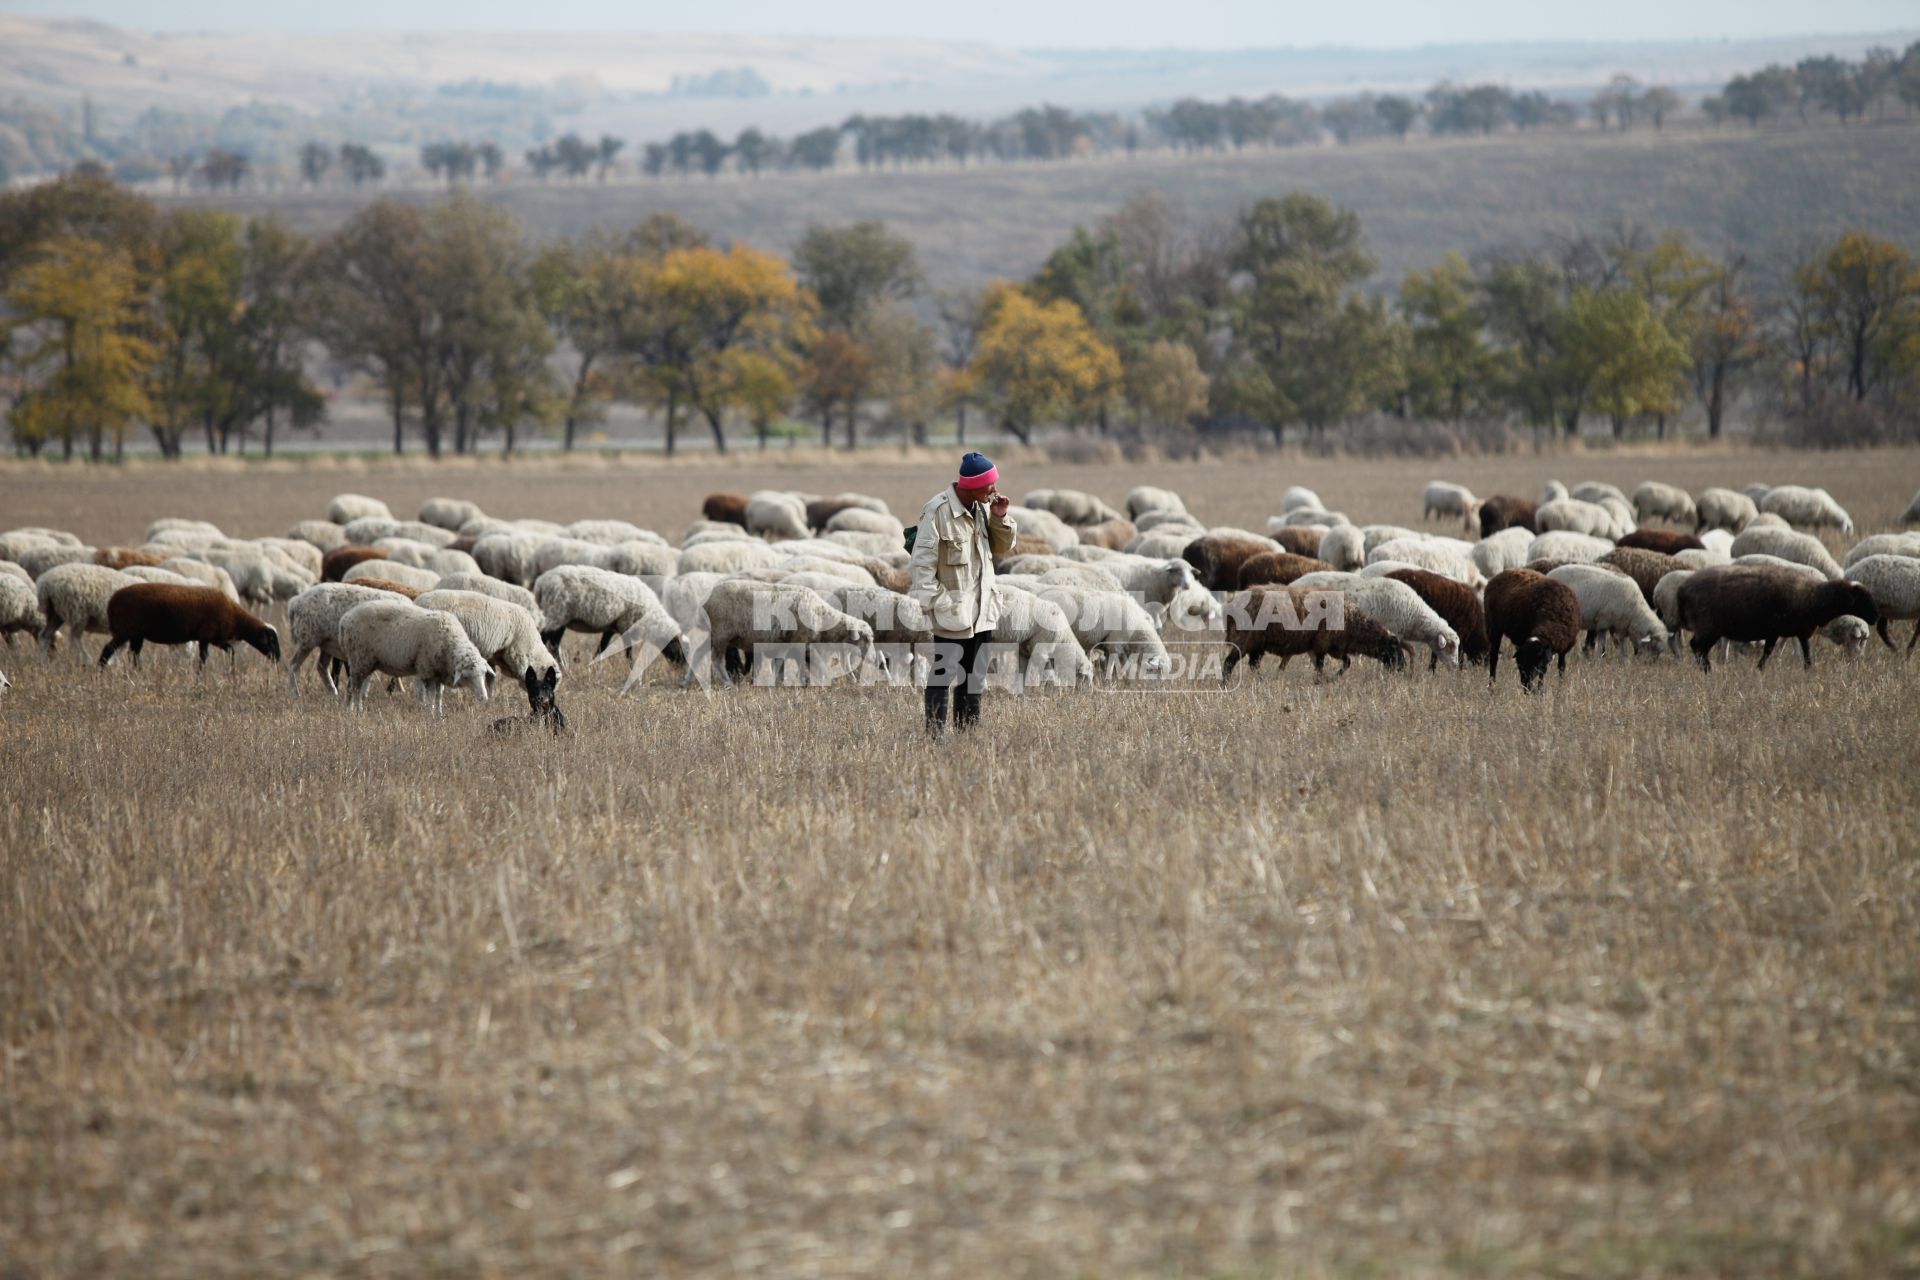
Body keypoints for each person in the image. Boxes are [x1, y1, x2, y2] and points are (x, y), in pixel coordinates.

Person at [908, 451, 1017, 736]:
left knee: (975, 676)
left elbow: (1002, 548)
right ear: (972, 485)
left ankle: (968, 734)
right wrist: (938, 603)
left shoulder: (983, 508)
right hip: (952, 610)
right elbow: (921, 564)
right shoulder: (938, 511)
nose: (994, 489)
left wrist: (1000, 518)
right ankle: (935, 736)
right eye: (989, 484)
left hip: (982, 608)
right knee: (943, 674)